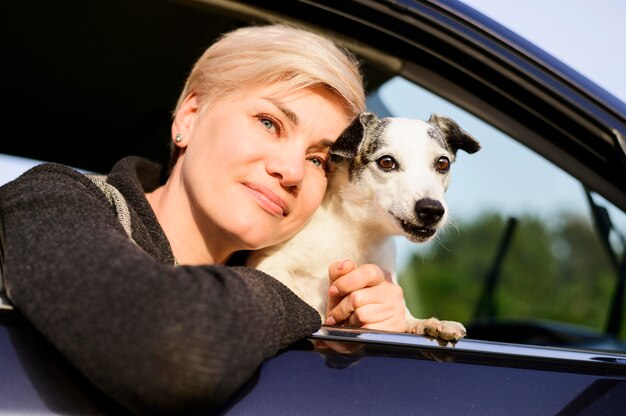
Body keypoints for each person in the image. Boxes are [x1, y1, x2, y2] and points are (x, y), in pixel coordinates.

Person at [0, 24, 405, 414]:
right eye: (269, 123)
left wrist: (369, 348)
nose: (292, 171)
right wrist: (305, 298)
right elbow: (172, 351)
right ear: (189, 117)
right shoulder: (51, 197)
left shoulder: (272, 307)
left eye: (318, 159)